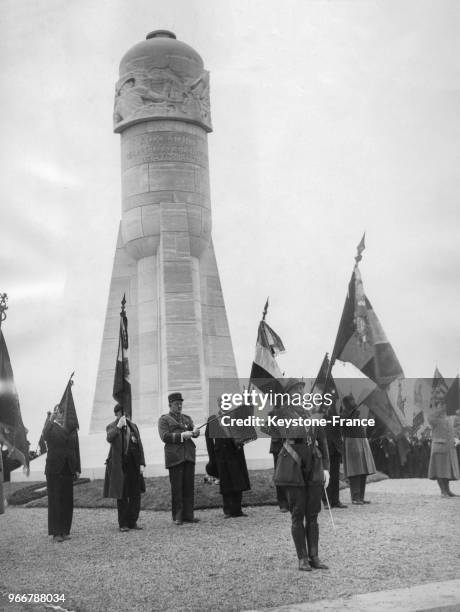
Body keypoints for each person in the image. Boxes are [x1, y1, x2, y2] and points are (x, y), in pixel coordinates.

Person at [271, 378, 330, 571]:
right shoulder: (281, 414)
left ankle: (314, 556)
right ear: (288, 395)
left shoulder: (312, 414)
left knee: (312, 515)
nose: (299, 394)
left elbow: (322, 440)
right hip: (292, 469)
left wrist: (327, 468)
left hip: (313, 468)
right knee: (297, 514)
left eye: (301, 391)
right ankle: (302, 558)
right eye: (295, 392)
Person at [158, 392, 200, 525]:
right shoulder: (164, 419)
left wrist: (196, 432)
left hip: (188, 455)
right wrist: (182, 436)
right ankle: (178, 516)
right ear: (170, 405)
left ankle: (189, 515)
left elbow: (193, 432)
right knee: (177, 488)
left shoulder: (187, 419)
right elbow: (164, 436)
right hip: (175, 457)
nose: (180, 405)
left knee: (189, 487)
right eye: (177, 403)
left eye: (181, 403)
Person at [205, 400, 250, 518]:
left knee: (238, 481)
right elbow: (209, 440)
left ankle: (237, 510)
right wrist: (212, 458)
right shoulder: (213, 419)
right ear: (219, 404)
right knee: (225, 483)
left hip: (236, 453)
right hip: (222, 455)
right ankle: (228, 510)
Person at [103, 404, 146, 531]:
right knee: (122, 495)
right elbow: (109, 438)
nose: (123, 415)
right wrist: (118, 426)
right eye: (120, 413)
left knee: (135, 494)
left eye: (125, 413)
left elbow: (139, 445)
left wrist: (142, 463)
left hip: (133, 463)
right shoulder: (111, 426)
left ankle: (133, 521)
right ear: (116, 414)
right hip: (120, 465)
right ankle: (123, 523)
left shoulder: (133, 426)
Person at [42, 405, 81, 542]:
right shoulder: (51, 426)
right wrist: (49, 420)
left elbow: (75, 449)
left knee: (67, 501)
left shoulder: (70, 429)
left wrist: (77, 468)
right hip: (54, 469)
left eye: (61, 412)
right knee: (55, 501)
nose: (59, 414)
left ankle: (65, 530)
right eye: (57, 411)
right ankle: (56, 533)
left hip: (68, 468)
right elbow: (44, 436)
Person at [341, 395, 376, 505]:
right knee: (355, 471)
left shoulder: (356, 413)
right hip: (352, 444)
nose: (354, 401)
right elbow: (344, 424)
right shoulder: (344, 414)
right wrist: (353, 413)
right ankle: (355, 497)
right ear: (347, 402)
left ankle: (361, 496)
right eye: (352, 400)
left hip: (361, 443)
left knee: (363, 472)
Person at [427, 400, 459, 497]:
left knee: (447, 470)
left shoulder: (451, 416)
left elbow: (457, 426)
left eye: (445, 404)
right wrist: (439, 409)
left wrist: (457, 437)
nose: (444, 406)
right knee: (440, 470)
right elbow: (430, 418)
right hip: (439, 447)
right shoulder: (434, 417)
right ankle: (443, 491)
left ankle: (448, 490)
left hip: (449, 448)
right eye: (442, 404)